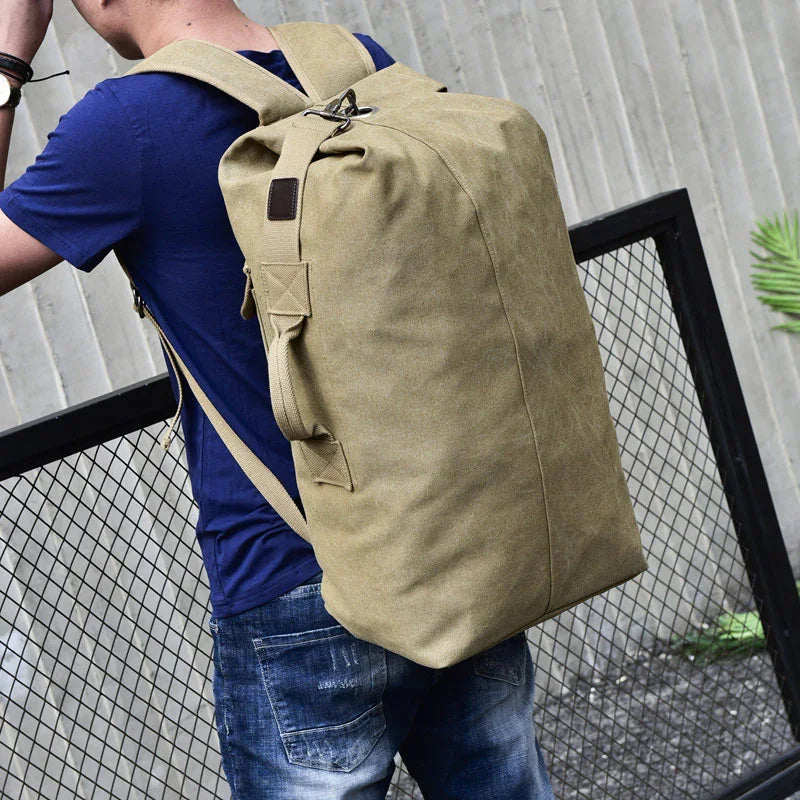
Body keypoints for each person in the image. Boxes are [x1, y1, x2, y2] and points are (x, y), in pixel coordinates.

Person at [0, 1, 556, 797]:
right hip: (445, 536)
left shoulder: (126, 124)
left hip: (292, 577)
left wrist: (7, 61)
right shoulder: (354, 62)